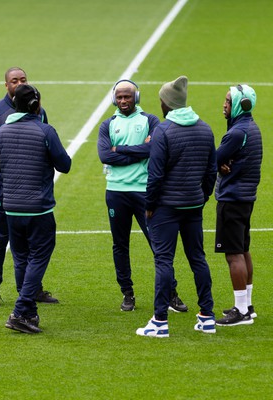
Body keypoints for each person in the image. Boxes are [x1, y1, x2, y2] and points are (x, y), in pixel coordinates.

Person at [136, 76, 217, 338]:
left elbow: (155, 175)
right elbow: (211, 171)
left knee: (163, 261)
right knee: (197, 259)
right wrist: (201, 197)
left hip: (166, 208)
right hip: (193, 205)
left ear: (166, 103)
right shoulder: (205, 128)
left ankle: (160, 321)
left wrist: (149, 205)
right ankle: (207, 316)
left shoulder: (163, 131)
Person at [97, 79, 187, 312]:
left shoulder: (150, 120)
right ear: (114, 99)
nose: (124, 101)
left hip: (143, 192)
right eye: (120, 97)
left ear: (136, 97)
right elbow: (105, 156)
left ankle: (171, 293)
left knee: (157, 244)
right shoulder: (107, 124)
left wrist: (121, 150)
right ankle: (127, 293)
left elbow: (153, 148)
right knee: (120, 245)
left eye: (128, 96)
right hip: (116, 192)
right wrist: (136, 153)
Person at [0, 84, 71, 333]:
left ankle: (29, 314)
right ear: (36, 105)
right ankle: (20, 310)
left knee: (21, 258)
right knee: (38, 257)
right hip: (38, 209)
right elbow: (65, 165)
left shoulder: (3, 131)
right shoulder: (44, 130)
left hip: (12, 208)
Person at [0, 67, 58, 306]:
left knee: (28, 246)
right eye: (14, 80)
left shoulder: (39, 112)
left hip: (29, 191)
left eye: (23, 79)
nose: (18, 83)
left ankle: (32, 290)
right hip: (5, 190)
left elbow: (42, 146)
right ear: (6, 85)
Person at [214, 84, 262, 327]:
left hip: (232, 199)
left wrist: (218, 164)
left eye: (228, 101)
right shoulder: (251, 128)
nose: (224, 105)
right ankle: (248, 306)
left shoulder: (236, 133)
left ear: (241, 104)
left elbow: (213, 158)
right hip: (245, 198)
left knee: (233, 254)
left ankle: (240, 311)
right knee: (243, 250)